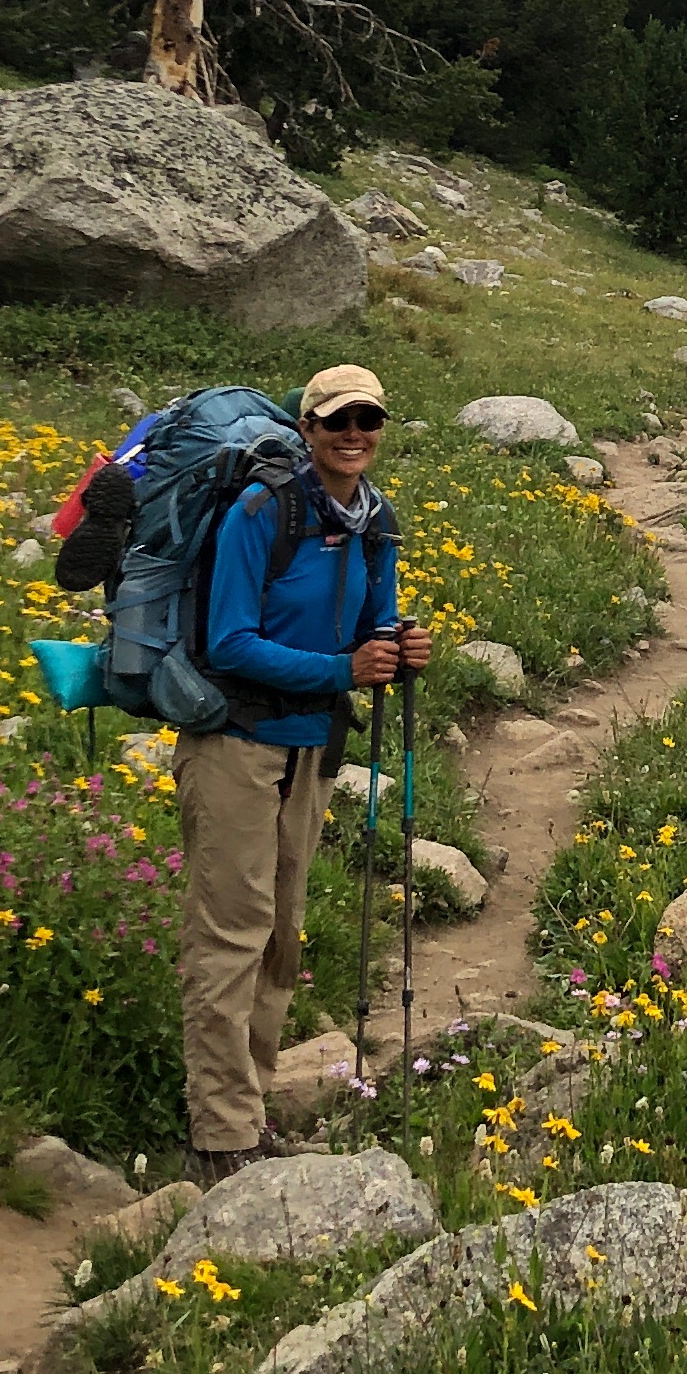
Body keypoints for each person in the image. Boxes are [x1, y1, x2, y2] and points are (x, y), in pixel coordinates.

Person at [178, 364, 424, 1177]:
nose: (354, 434)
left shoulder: (375, 520)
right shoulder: (262, 511)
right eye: (336, 421)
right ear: (307, 428)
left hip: (312, 751)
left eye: (368, 420)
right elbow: (228, 642)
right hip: (237, 743)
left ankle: (249, 1103)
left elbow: (374, 627)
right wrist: (341, 672)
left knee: (281, 931)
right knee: (231, 932)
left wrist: (399, 652)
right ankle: (222, 1136)